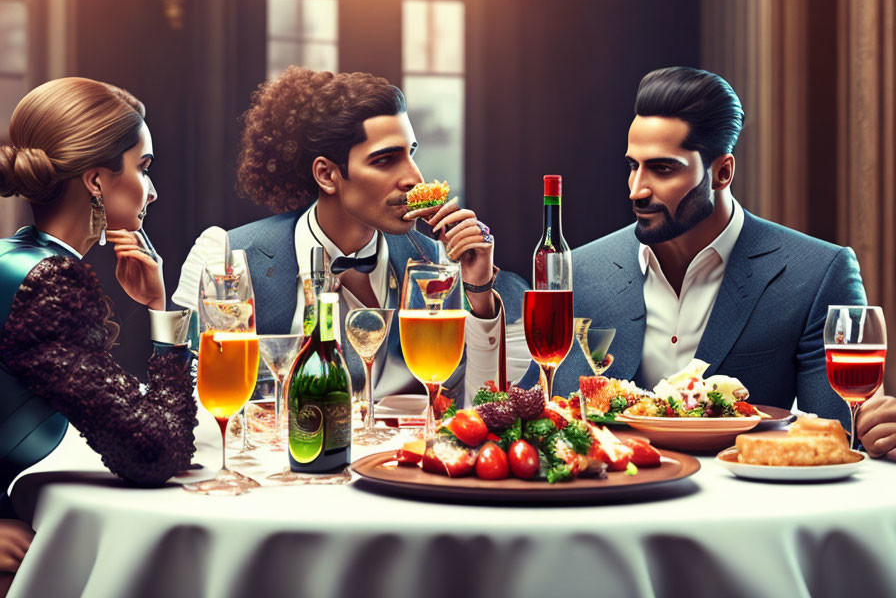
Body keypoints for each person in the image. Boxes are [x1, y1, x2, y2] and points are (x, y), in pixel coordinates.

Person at [560, 66, 896, 459]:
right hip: (613, 501)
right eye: (633, 166)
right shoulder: (581, 269)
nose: (637, 190)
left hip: (750, 508)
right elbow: (540, 407)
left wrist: (881, 432)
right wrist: (481, 297)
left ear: (722, 172)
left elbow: (842, 437)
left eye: (662, 168)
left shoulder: (818, 272)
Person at [175, 66, 528, 406]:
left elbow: (483, 410)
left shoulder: (438, 266)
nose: (414, 178)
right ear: (327, 174)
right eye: (385, 160)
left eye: (411, 154)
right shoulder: (225, 257)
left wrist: (480, 294)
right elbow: (195, 402)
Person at [0, 78, 197, 584]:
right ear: (95, 181)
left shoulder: (15, 258)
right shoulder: (50, 282)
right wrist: (162, 311)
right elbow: (155, 451)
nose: (152, 190)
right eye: (143, 167)